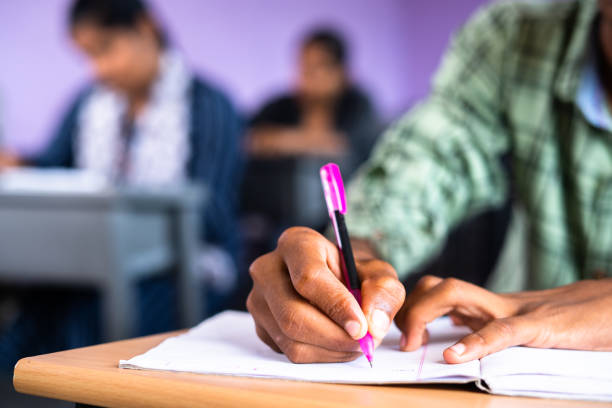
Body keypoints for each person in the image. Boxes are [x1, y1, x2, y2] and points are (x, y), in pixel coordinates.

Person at [247, 0, 612, 365]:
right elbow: (431, 158)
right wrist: (353, 257)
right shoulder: (516, 31)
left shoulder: (357, 107)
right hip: (502, 366)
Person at [0, 0, 243, 292]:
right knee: (30, 308)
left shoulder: (209, 106)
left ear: (145, 26)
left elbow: (211, 211)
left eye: (105, 49)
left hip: (181, 264)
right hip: (92, 258)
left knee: (91, 316)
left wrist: (124, 226)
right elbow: (55, 165)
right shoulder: (88, 103)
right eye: (87, 57)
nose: (97, 70)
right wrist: (18, 165)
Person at [248, 29, 381, 175]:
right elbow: (253, 140)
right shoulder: (282, 105)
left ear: (341, 72)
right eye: (304, 66)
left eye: (319, 67)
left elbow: (347, 146)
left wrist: (284, 142)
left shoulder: (358, 104)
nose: (308, 75)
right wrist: (309, 142)